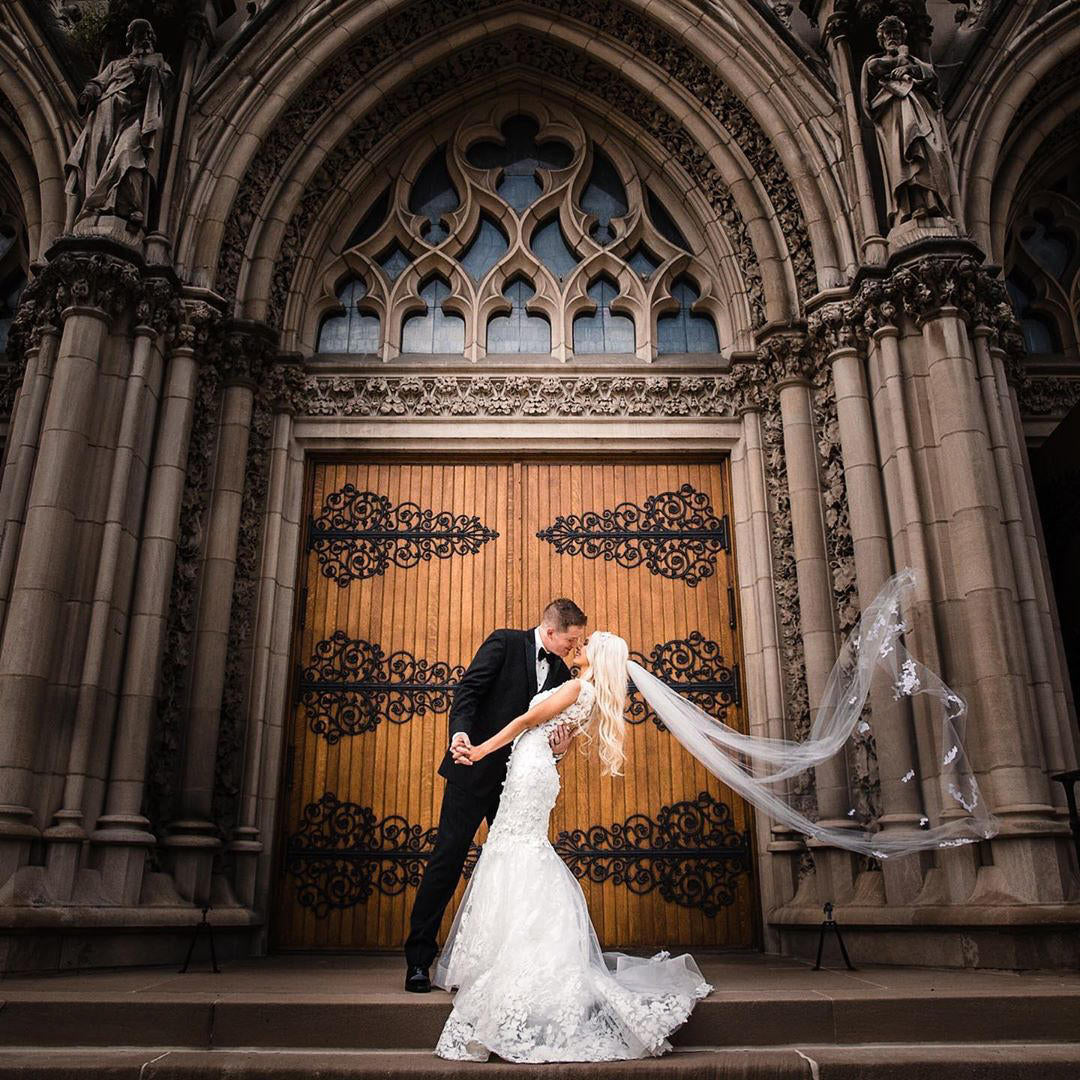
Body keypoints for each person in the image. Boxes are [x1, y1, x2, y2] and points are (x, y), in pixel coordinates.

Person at [433, 631, 711, 1063]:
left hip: (528, 772)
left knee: (514, 849)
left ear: (597, 655)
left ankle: (516, 958)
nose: (579, 646)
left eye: (588, 643)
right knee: (515, 849)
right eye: (578, 639)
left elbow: (526, 723)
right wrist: (552, 749)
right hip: (536, 768)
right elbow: (549, 734)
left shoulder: (578, 686)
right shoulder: (587, 691)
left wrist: (482, 750)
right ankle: (508, 951)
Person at [403, 599, 586, 993]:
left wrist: (558, 748)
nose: (573, 649)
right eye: (570, 641)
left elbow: (542, 732)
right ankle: (419, 960)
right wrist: (460, 734)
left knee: (510, 868)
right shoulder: (503, 643)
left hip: (516, 785)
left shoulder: (561, 673)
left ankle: (505, 964)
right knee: (447, 859)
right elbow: (468, 691)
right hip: (472, 771)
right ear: (551, 631)